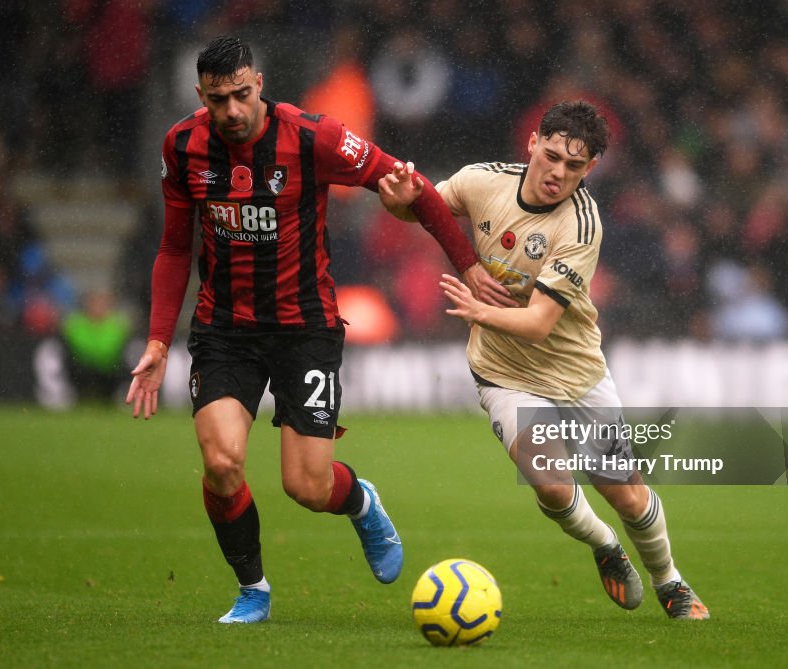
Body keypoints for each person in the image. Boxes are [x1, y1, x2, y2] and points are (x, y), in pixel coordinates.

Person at [124, 36, 512, 625]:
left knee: (306, 486)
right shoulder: (182, 146)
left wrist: (469, 264)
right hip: (223, 327)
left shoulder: (313, 137)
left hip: (305, 326)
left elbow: (412, 184)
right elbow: (176, 246)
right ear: (200, 94)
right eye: (216, 98)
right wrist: (157, 340)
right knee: (223, 463)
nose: (230, 110)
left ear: (259, 84)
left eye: (240, 94)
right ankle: (253, 588)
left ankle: (360, 501)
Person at [378, 100, 710, 620]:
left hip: (575, 376)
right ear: (532, 141)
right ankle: (605, 546)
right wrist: (398, 200)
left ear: (591, 168)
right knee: (553, 486)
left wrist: (476, 310)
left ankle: (671, 581)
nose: (557, 173)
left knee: (627, 496)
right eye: (551, 155)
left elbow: (537, 323)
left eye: (573, 166)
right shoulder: (481, 180)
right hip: (504, 373)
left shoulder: (581, 225)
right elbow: (422, 208)